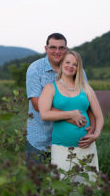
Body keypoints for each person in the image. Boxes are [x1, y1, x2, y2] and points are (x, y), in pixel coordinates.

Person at [26, 33, 96, 165]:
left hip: (72, 144)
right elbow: (37, 104)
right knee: (37, 183)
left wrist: (92, 127)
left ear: (66, 49)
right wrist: (71, 117)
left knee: (68, 183)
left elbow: (87, 101)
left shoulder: (76, 70)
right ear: (46, 49)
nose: (57, 51)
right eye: (53, 47)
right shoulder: (35, 69)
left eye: (61, 48)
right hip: (41, 140)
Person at [38, 50, 104, 181]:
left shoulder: (86, 88)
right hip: (61, 149)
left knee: (87, 187)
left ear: (78, 68)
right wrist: (70, 114)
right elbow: (44, 114)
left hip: (87, 148)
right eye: (67, 62)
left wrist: (96, 133)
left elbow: (99, 116)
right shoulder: (50, 88)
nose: (70, 66)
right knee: (62, 186)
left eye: (75, 64)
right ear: (61, 64)